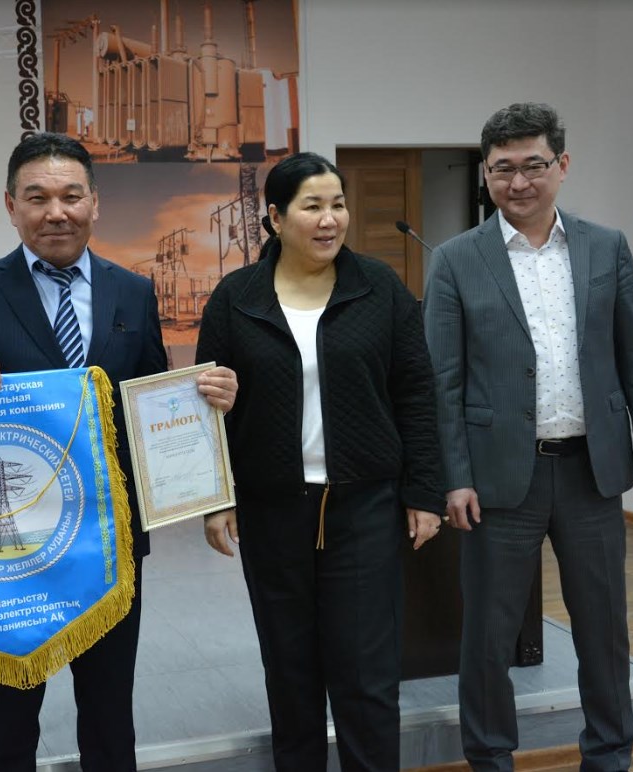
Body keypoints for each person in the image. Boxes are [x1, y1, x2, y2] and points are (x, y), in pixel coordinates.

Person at [0, 132, 237, 772]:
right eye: (37, 198)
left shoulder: (134, 290)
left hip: (110, 536)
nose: (56, 212)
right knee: (11, 709)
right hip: (16, 546)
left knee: (109, 705)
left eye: (71, 196)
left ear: (95, 203)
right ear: (11, 206)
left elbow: (151, 400)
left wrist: (204, 400)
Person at [422, 102, 633, 771]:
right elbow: (441, 382)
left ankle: (609, 756)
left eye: (532, 165)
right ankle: (490, 759)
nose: (518, 182)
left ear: (561, 165)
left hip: (591, 471)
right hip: (496, 479)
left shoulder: (605, 247)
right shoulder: (455, 260)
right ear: (485, 175)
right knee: (488, 637)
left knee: (603, 629)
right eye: (502, 168)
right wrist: (452, 476)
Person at [195, 152, 445, 771]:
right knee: (290, 671)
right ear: (276, 218)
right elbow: (203, 407)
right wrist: (215, 498)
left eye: (337, 204)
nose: (330, 219)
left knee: (366, 674)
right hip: (272, 510)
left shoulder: (379, 288)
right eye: (312, 206)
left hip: (364, 508)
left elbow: (416, 392)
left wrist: (424, 491)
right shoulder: (236, 298)